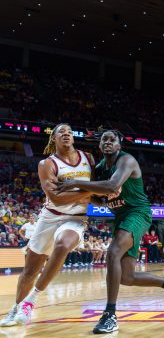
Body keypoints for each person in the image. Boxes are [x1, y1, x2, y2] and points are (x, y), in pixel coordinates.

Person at [54, 129, 164, 334]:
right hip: (120, 217)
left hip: (138, 213)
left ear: (119, 145)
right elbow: (97, 196)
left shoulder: (127, 161)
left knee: (112, 252)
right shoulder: (99, 168)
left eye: (112, 139)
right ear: (100, 146)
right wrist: (80, 194)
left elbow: (113, 184)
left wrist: (75, 183)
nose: (107, 142)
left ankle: (110, 314)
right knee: (127, 277)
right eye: (104, 140)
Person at [1, 123, 95, 327]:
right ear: (53, 138)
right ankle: (15, 308)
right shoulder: (47, 164)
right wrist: (89, 190)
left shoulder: (88, 158)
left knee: (62, 245)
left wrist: (100, 191)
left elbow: (101, 187)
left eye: (70, 131)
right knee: (29, 271)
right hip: (50, 216)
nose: (66, 134)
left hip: (76, 219)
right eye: (61, 132)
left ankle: (31, 300)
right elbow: (57, 198)